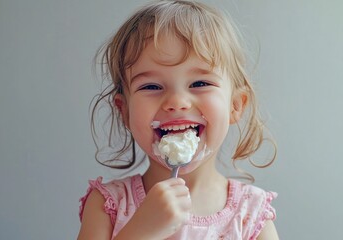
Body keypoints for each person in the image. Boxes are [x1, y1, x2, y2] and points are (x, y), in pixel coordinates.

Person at [78, 1, 279, 239]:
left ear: (235, 105)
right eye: (151, 86)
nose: (176, 101)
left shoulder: (252, 215)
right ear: (125, 112)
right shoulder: (106, 204)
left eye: (200, 83)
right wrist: (141, 231)